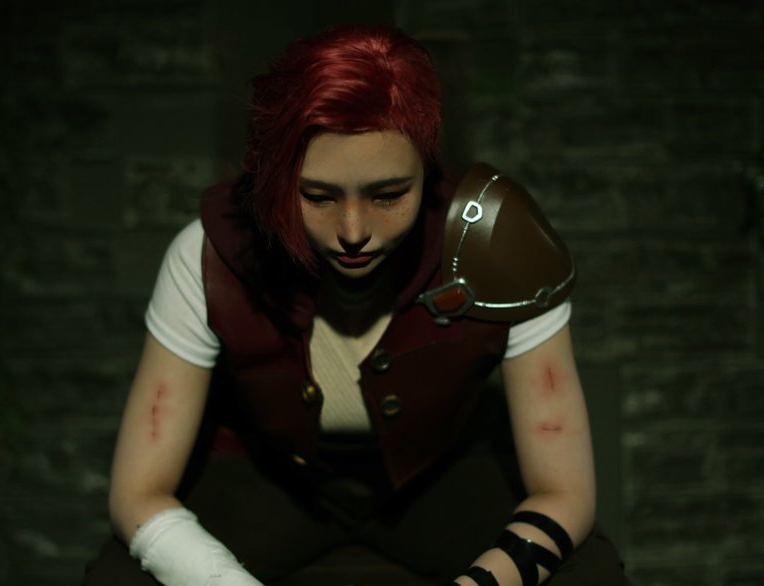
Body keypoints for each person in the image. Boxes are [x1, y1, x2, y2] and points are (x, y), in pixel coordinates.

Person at [84, 24, 629, 586]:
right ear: (277, 179)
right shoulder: (208, 254)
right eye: (317, 196)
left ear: (427, 170)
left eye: (389, 195)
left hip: (440, 474)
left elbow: (565, 492)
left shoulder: (502, 244)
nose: (352, 231)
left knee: (592, 577)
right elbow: (137, 494)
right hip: (267, 475)